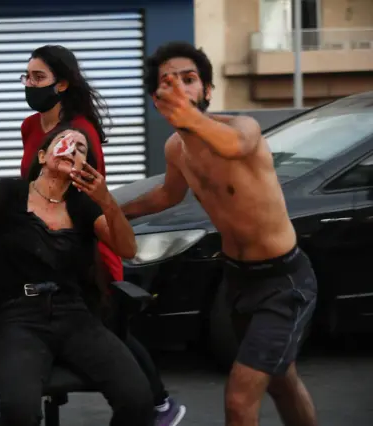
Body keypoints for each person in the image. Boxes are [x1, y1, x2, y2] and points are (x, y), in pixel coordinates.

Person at [121, 41, 318, 426]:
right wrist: (111, 209)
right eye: (167, 83)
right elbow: (167, 194)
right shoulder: (176, 148)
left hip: (285, 281)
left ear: (207, 91)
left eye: (189, 80)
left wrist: (189, 116)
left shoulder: (243, 128)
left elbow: (234, 145)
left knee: (239, 400)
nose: (178, 88)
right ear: (156, 99)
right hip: (238, 280)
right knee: (282, 380)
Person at [0, 125, 155, 426]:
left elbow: (127, 248)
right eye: (64, 142)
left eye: (81, 149)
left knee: (139, 400)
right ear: (42, 155)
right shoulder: (9, 193)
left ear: (83, 167)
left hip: (75, 316)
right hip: (18, 317)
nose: (71, 148)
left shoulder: (84, 207)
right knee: (21, 412)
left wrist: (106, 201)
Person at [19, 44, 185, 425]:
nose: (29, 84)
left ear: (61, 84)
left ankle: (159, 404)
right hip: (47, 245)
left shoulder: (78, 134)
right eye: (25, 77)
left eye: (38, 77)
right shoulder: (31, 126)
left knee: (108, 333)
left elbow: (80, 201)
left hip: (85, 251)